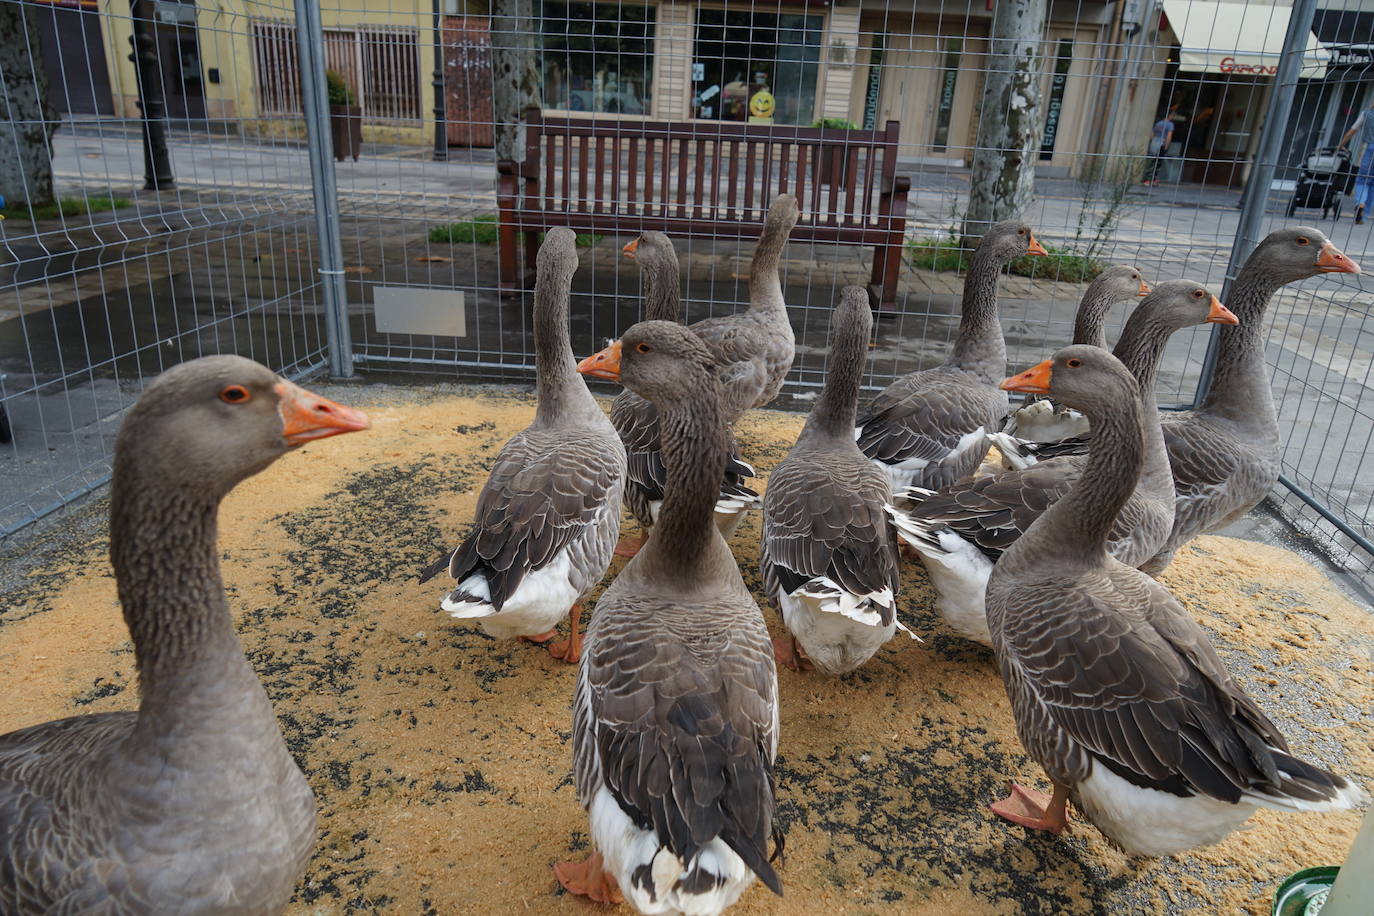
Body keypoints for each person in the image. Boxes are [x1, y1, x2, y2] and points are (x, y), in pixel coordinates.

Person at [1339, 103, 1374, 224]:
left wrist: (1341, 145)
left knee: (1362, 180)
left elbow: (1351, 132)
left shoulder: (1366, 114)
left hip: (1368, 149)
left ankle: (1360, 203)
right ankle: (1364, 215)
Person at [1143, 109, 1176, 186]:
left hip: (1154, 142)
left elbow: (1152, 134)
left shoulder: (1158, 123)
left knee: (1152, 161)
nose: (1173, 117)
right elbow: (1169, 135)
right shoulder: (1170, 124)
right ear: (1169, 115)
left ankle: (1147, 179)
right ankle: (1153, 179)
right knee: (1158, 162)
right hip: (1162, 143)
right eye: (1173, 115)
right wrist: (1166, 146)